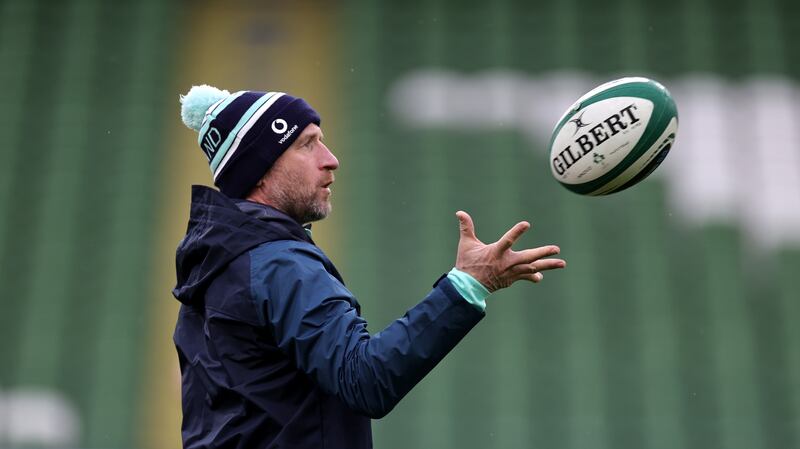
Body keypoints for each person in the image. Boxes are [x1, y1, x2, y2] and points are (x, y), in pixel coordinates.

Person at [172, 85, 566, 449]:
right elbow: (365, 381)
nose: (331, 160)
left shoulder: (219, 261)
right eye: (307, 145)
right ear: (258, 167)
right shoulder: (276, 263)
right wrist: (466, 286)